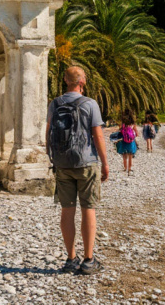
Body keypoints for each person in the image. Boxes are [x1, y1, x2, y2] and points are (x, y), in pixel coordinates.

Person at [46, 66, 109, 275]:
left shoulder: (55, 103)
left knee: (67, 210)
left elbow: (48, 132)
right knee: (88, 208)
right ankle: (88, 260)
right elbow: (97, 135)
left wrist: (52, 157)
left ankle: (71, 259)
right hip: (86, 162)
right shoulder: (90, 104)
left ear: (65, 80)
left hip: (62, 163)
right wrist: (105, 163)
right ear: (82, 81)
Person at [116, 109, 139, 173]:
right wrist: (135, 135)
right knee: (130, 155)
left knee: (124, 154)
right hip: (131, 141)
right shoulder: (132, 123)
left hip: (124, 141)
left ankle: (125, 168)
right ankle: (129, 168)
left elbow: (120, 131)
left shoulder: (123, 124)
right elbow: (136, 132)